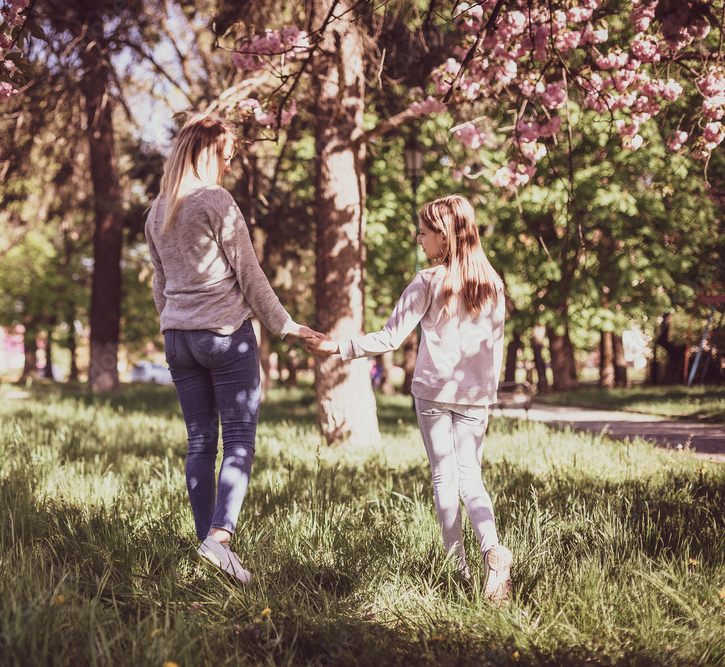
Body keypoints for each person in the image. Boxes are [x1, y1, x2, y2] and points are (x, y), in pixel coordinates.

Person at [308, 194, 513, 605]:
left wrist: (336, 348)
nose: (419, 240)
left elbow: (389, 337)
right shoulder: (493, 283)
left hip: (435, 393)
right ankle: (493, 549)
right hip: (475, 397)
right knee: (470, 476)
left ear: (444, 235)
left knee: (444, 478)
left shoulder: (428, 281)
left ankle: (457, 571)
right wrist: (487, 394)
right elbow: (496, 347)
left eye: (423, 232)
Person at [144, 113, 322, 586]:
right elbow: (248, 273)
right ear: (207, 152)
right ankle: (219, 539)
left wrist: (173, 323)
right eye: (225, 155)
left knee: (200, 442)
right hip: (224, 335)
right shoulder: (215, 201)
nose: (229, 162)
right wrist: (287, 327)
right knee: (239, 441)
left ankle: (210, 548)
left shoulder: (157, 211)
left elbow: (160, 285)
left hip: (179, 339)